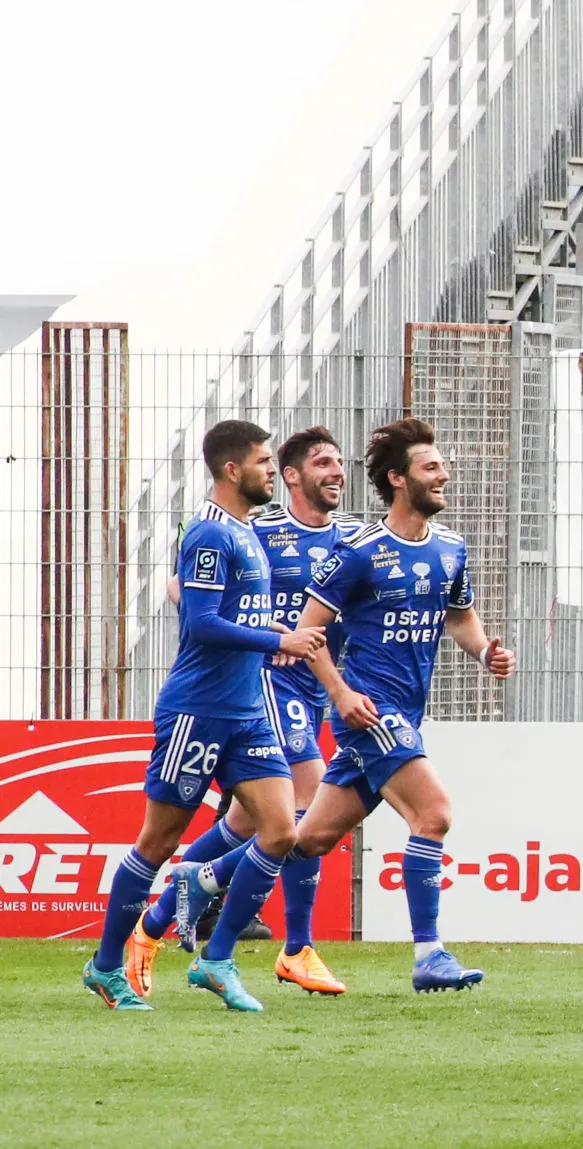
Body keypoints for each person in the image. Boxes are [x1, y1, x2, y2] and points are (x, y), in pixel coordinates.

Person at [176, 418, 514, 994]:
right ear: (398, 479)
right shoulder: (332, 546)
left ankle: (203, 883)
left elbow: (459, 615)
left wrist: (484, 651)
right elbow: (293, 622)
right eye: (431, 466)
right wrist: (339, 691)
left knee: (303, 835)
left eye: (442, 464)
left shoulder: (447, 547)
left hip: (387, 703)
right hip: (348, 703)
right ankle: (423, 954)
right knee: (432, 814)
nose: (445, 474)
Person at [80, 420, 325, 1012]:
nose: (272, 470)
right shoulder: (209, 535)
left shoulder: (246, 531)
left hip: (247, 711)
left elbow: (233, 618)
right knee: (158, 842)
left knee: (283, 830)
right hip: (198, 712)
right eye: (264, 461)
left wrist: (272, 635)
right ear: (232, 470)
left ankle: (215, 959)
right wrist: (279, 641)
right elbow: (202, 624)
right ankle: (107, 966)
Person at [127, 427, 361, 999]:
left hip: (316, 686)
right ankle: (297, 948)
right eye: (323, 462)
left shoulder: (355, 538)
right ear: (292, 476)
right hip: (264, 683)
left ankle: (170, 906)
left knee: (253, 824)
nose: (337, 471)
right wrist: (261, 635)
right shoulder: (255, 527)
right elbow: (184, 588)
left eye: (340, 462)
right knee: (307, 804)